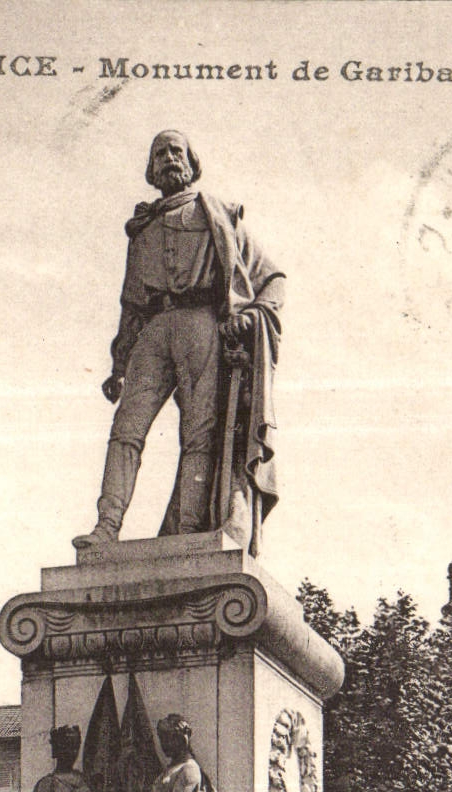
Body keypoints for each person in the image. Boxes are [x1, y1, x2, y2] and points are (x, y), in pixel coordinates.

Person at [73, 130, 285, 553]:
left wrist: (248, 316)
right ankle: (105, 528)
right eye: (160, 153)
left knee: (199, 434)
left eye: (176, 151)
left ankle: (189, 532)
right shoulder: (142, 229)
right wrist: (119, 365)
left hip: (202, 324)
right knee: (125, 430)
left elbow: (272, 278)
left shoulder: (219, 214)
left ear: (191, 161)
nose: (169, 158)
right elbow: (131, 303)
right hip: (153, 331)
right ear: (151, 169)